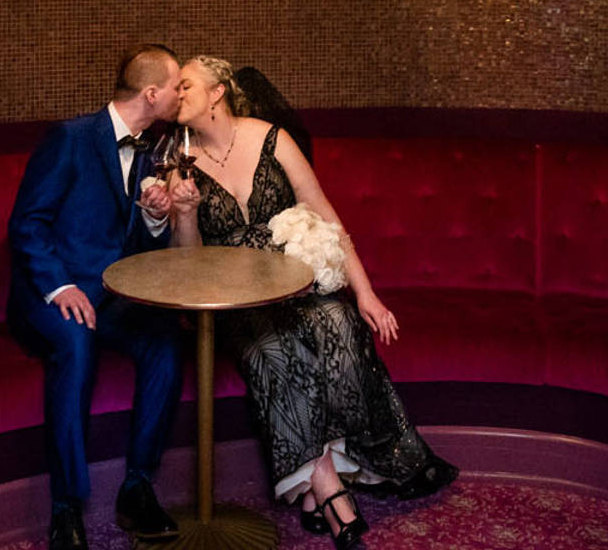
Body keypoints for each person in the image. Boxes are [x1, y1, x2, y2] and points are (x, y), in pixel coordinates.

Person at [162, 56, 457, 548]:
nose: (177, 96)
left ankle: (315, 487)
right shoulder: (178, 158)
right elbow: (185, 263)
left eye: (186, 86)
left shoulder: (272, 138)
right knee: (275, 347)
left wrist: (365, 292)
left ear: (217, 92)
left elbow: (323, 211)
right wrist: (186, 214)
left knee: (339, 320)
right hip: (233, 302)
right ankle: (329, 490)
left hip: (292, 285)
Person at [7, 44, 189, 550]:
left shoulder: (152, 149)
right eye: (176, 86)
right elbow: (27, 223)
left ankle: (138, 486)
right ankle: (66, 508)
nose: (180, 95)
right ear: (152, 93)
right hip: (50, 293)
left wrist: (155, 215)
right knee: (76, 342)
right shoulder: (70, 138)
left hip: (109, 295)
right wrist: (59, 285)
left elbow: (136, 248)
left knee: (165, 340)